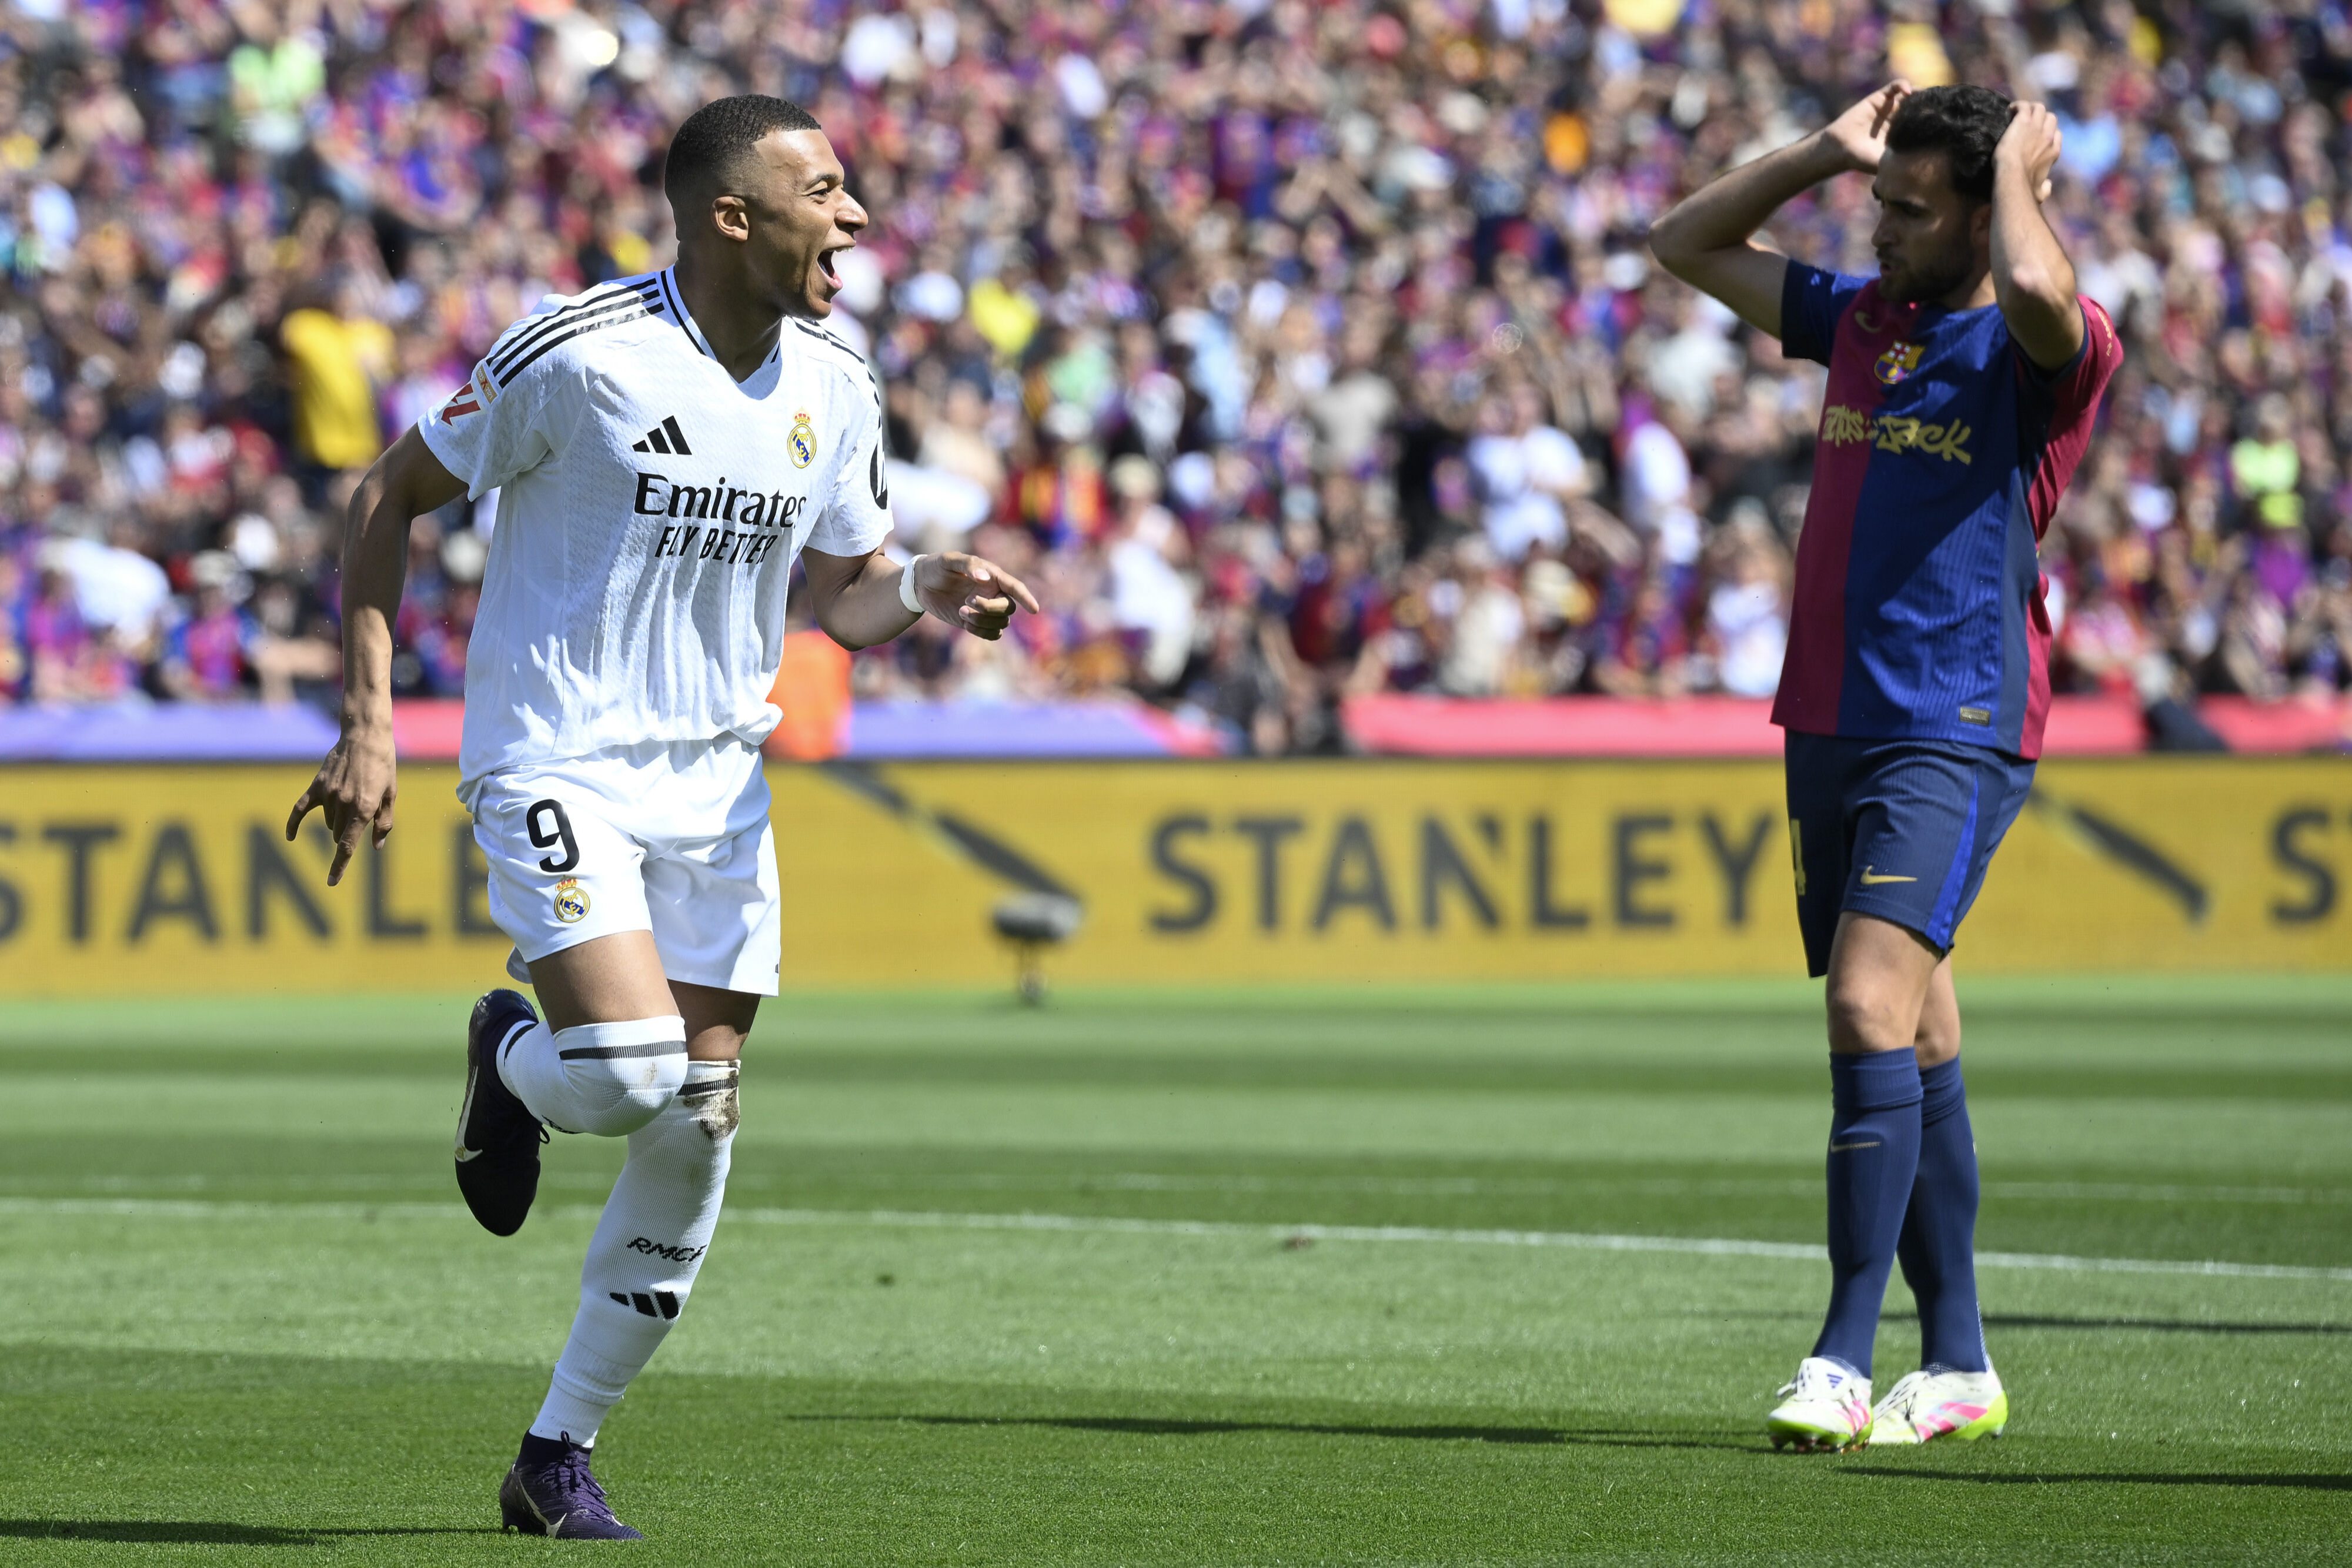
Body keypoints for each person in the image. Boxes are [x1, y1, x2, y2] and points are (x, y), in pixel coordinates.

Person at [286, 94, 1038, 1538]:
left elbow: (840, 591)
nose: (858, 217)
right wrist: (372, 722)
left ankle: (554, 1449)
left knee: (698, 1115)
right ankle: (511, 1056)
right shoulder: (582, 353)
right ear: (730, 216)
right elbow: (388, 491)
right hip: (557, 756)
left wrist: (928, 584)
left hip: (718, 780)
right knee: (629, 1071)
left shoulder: (835, 374)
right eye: (824, 191)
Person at [1651, 82, 2121, 1450]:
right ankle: (1960, 1358)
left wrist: (2026, 174)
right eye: (1880, 200)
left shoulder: (2041, 347)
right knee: (1915, 1025)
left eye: (1912, 210)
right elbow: (1682, 243)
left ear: (1981, 212)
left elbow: (2036, 281)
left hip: (1952, 718)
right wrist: (1814, 149)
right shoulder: (1863, 320)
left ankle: (1840, 1356)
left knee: (1862, 1004)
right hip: (1832, 715)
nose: (1881, 225)